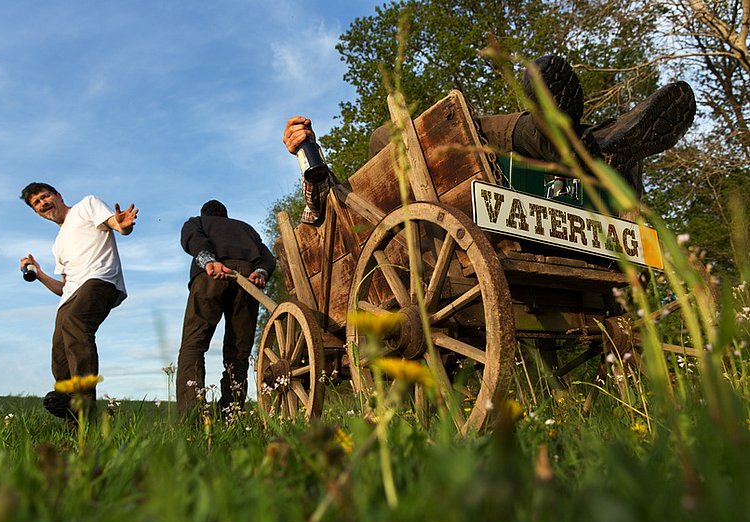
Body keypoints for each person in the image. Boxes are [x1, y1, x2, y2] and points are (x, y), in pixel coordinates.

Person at [283, 55, 696, 218]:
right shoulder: (322, 207)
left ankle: (577, 140)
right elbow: (321, 212)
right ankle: (593, 143)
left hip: (466, 191)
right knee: (397, 136)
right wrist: (307, 157)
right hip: (412, 220)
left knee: (458, 127)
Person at [19, 183, 138, 424]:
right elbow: (64, 288)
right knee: (60, 352)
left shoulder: (87, 205)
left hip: (100, 280)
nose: (43, 204)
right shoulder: (58, 244)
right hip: (70, 296)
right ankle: (74, 419)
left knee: (76, 324)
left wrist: (122, 226)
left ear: (58, 196)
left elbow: (114, 224)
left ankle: (83, 403)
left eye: (45, 197)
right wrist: (40, 275)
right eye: (37, 204)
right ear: (37, 213)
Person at [176, 199, 276, 417]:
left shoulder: (197, 222)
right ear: (226, 215)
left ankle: (191, 415)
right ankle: (232, 414)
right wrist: (260, 272)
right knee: (238, 353)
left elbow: (192, 237)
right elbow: (267, 257)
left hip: (211, 274)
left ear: (205, 214)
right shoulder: (245, 228)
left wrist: (209, 260)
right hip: (247, 277)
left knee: (194, 344)